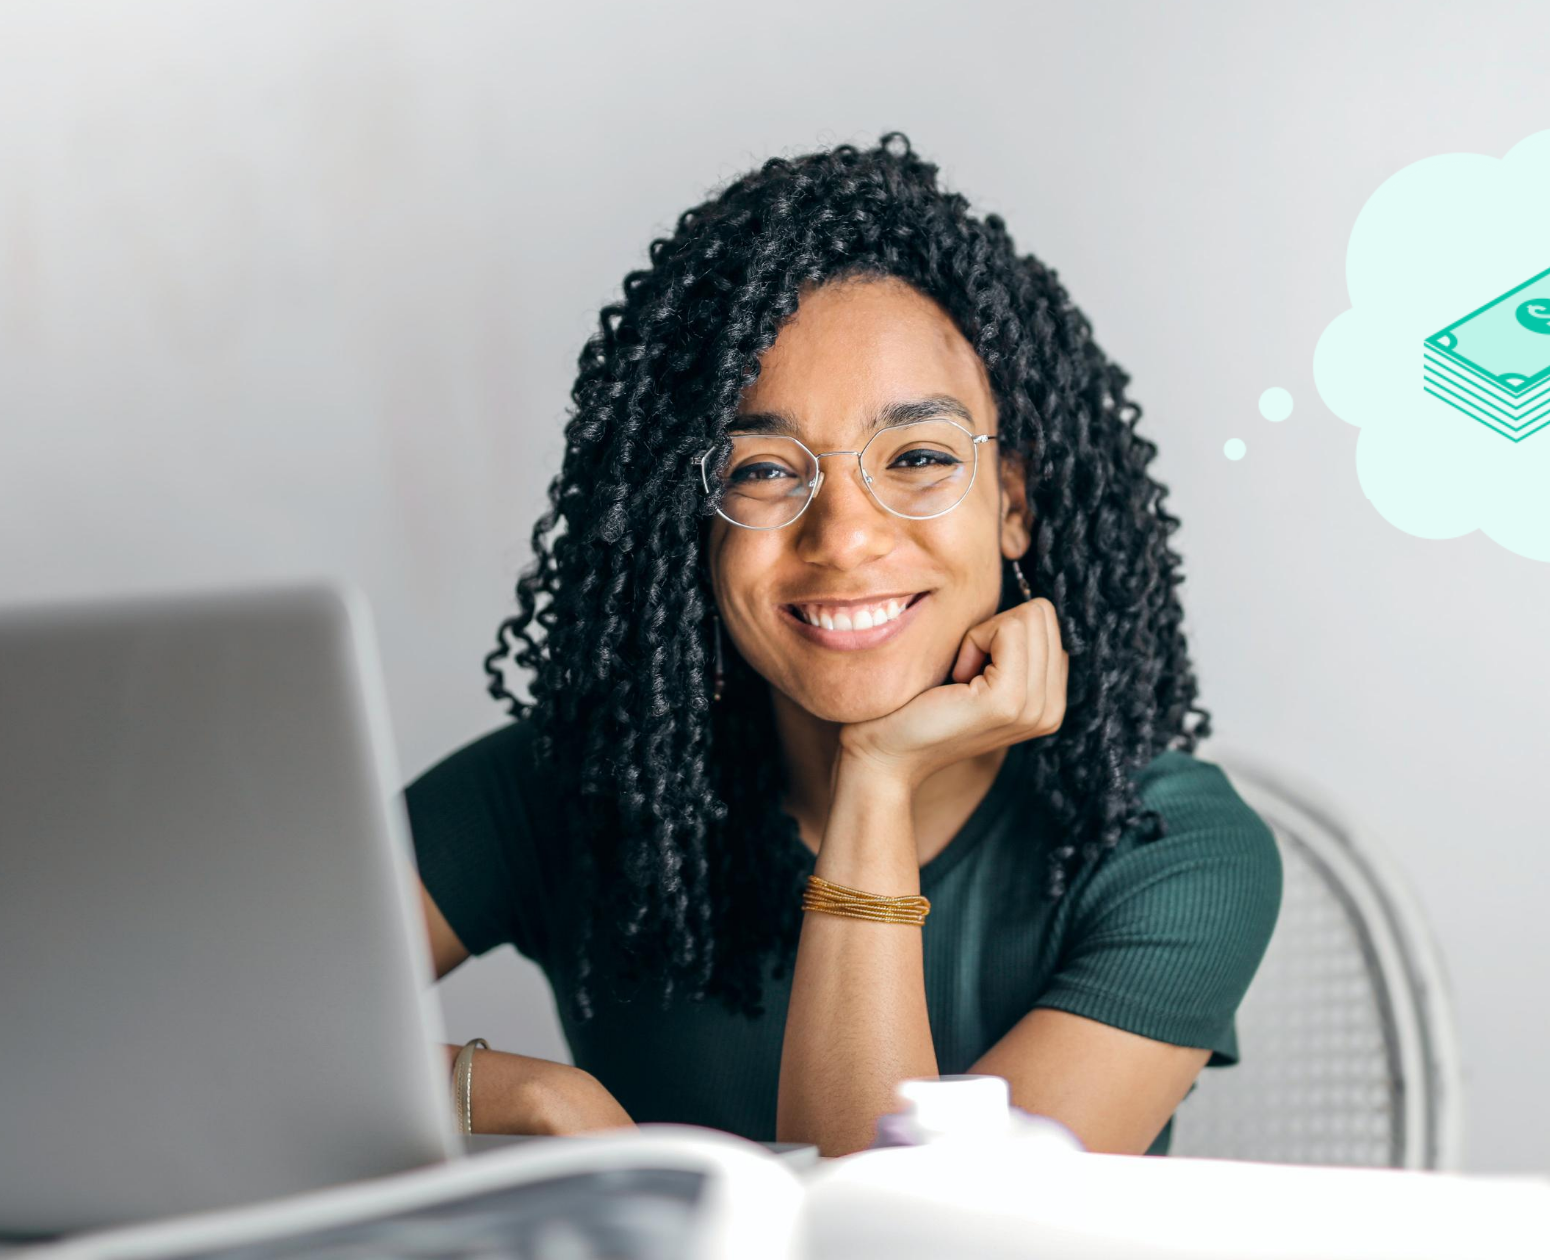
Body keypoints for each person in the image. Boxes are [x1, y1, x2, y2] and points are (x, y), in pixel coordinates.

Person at [407, 133, 1281, 1158]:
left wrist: (877, 779)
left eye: (915, 456)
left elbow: (900, 1235)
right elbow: (198, 1021)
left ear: (1013, 503)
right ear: (688, 520)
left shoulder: (1164, 848)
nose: (846, 537)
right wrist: (518, 1094)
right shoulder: (574, 784)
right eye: (763, 471)